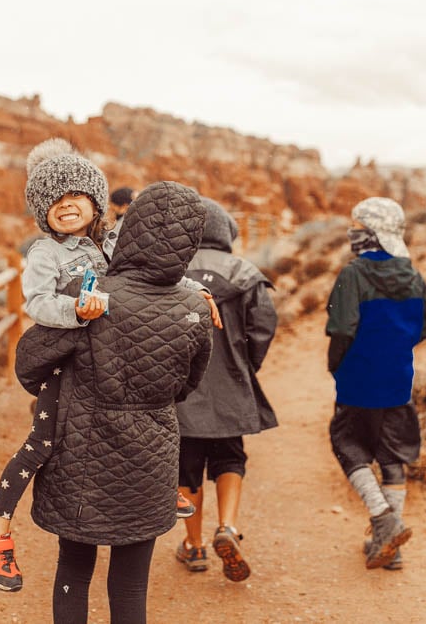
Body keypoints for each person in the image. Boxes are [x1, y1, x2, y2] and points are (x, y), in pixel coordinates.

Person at [0, 139, 211, 592]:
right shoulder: (46, 253)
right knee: (43, 443)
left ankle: (157, 490)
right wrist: (77, 313)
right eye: (53, 200)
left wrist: (195, 290)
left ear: (96, 201)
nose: (65, 205)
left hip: (94, 355)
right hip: (63, 362)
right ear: (41, 211)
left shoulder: (104, 242)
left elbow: (153, 265)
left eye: (75, 195)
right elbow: (37, 303)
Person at [15, 180, 213, 624]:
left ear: (130, 229)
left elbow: (29, 364)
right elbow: (186, 385)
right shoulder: (195, 308)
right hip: (152, 455)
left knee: (74, 566)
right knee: (131, 582)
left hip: (82, 451)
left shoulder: (91, 296)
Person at [325, 196, 426, 570]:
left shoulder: (354, 273)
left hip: (357, 380)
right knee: (392, 457)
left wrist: (335, 365)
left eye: (357, 227)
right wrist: (394, 347)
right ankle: (390, 547)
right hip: (398, 380)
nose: (352, 233)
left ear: (370, 232)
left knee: (346, 443)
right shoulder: (413, 274)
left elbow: (341, 329)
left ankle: (384, 519)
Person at [175, 197, 278, 582]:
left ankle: (195, 546)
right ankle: (228, 528)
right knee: (231, 457)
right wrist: (245, 365)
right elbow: (264, 326)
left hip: (183, 392)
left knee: (187, 467)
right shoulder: (245, 273)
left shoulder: (172, 270)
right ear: (226, 233)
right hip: (231, 384)